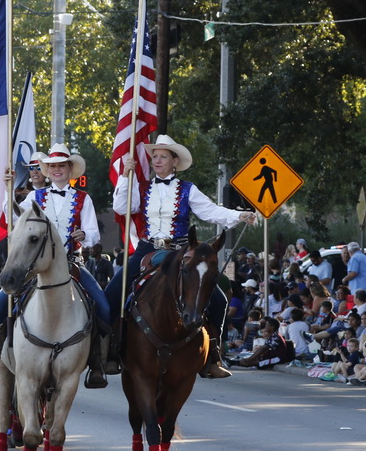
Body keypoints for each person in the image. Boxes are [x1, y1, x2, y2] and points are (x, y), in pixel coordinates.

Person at [107, 134, 258, 378]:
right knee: (113, 292)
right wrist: (126, 175)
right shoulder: (141, 185)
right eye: (154, 156)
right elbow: (122, 208)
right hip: (147, 249)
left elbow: (211, 212)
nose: (157, 161)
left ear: (174, 161)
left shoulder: (188, 189)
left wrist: (238, 216)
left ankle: (213, 355)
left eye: (162, 157)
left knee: (219, 300)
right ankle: (107, 350)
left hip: (179, 251)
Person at [0, 144, 112, 387]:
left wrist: (83, 236)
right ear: (47, 171)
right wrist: (8, 191)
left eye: (62, 165)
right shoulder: (34, 197)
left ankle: (99, 363)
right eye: (53, 166)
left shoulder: (83, 198)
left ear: (70, 169)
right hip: (35, 268)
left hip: (71, 263)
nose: (57, 170)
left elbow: (93, 234)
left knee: (103, 306)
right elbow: (14, 219)